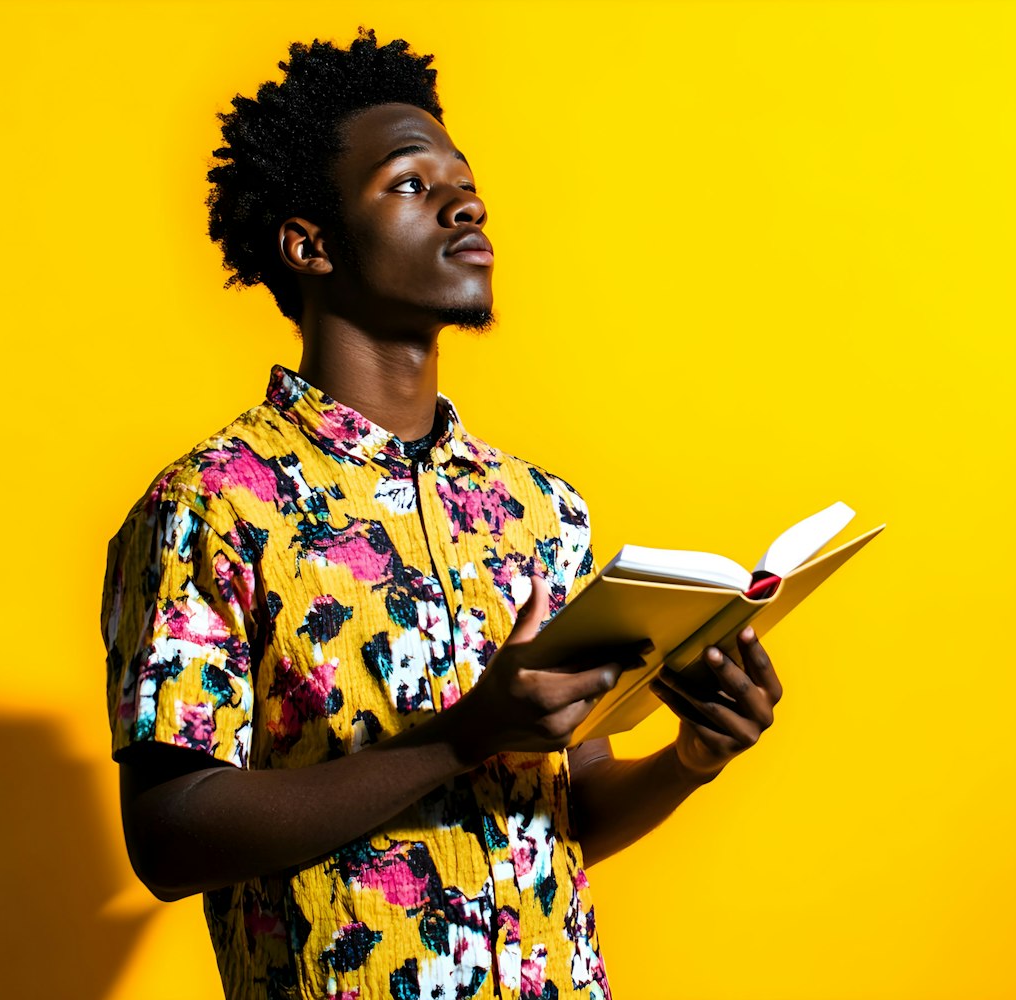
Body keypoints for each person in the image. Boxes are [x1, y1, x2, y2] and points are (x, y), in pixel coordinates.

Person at [101, 28, 782, 1000]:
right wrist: (458, 736)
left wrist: (693, 755)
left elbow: (572, 802)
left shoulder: (538, 510)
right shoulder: (212, 503)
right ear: (310, 244)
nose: (468, 202)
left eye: (465, 182)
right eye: (411, 184)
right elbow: (168, 836)